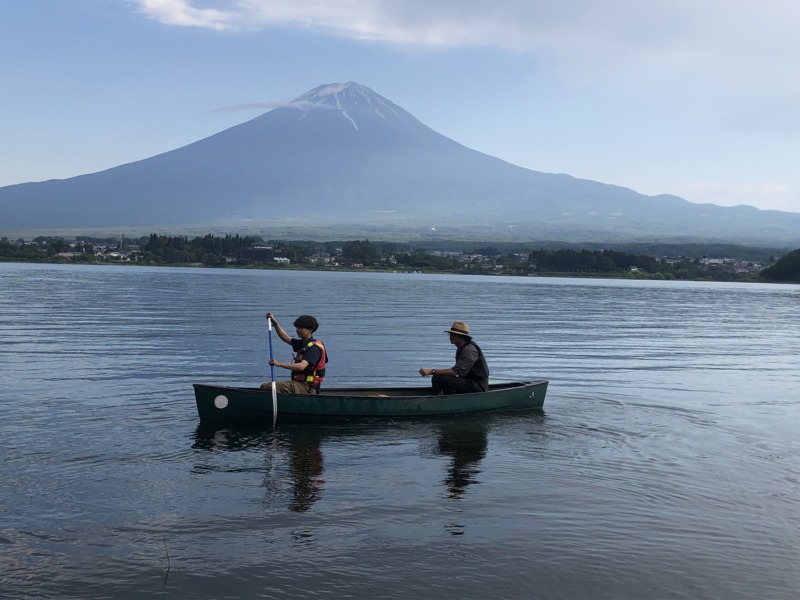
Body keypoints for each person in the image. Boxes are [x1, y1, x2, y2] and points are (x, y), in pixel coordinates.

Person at [261, 312, 327, 394]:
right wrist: (275, 323)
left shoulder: (313, 348)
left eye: (301, 327)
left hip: (308, 388)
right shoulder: (302, 343)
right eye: (297, 327)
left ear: (310, 330)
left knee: (267, 386)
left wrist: (279, 364)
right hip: (299, 384)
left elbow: (301, 366)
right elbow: (285, 338)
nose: (298, 330)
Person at [419, 321, 489, 395]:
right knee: (439, 378)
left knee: (438, 378)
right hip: (469, 382)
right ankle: (444, 397)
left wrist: (432, 371)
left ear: (462, 336)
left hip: (477, 386)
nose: (451, 336)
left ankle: (443, 399)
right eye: (450, 334)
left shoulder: (469, 350)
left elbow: (456, 372)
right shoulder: (461, 348)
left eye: (455, 334)